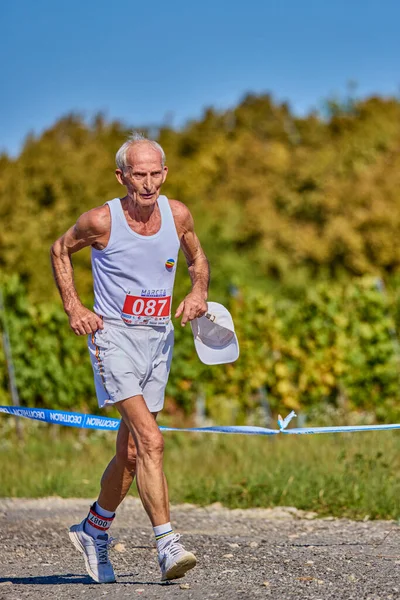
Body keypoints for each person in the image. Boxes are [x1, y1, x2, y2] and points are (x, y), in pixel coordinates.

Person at [50, 133, 210, 583]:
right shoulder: (101, 220)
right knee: (152, 440)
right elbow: (60, 249)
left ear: (165, 173)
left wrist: (199, 292)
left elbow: (198, 259)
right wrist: (74, 308)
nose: (148, 183)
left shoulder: (177, 214)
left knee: (135, 453)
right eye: (138, 174)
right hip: (112, 337)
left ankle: (93, 528)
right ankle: (167, 544)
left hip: (158, 339)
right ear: (121, 176)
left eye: (155, 173)